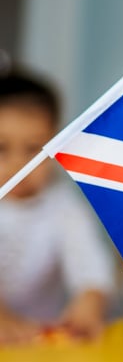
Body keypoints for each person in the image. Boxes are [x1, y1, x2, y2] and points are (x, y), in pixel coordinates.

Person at [0, 64, 115, 343]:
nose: (19, 165)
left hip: (38, 348)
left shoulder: (64, 208)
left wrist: (91, 299)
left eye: (32, 150)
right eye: (1, 148)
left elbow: (90, 268)